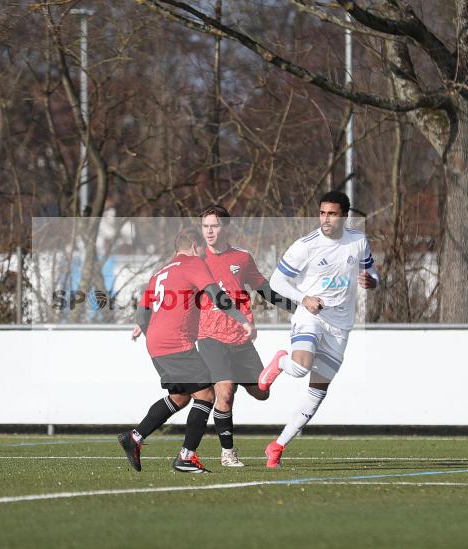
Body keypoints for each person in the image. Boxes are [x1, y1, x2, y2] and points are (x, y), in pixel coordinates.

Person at [257, 191, 379, 468]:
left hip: (340, 326)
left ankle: (277, 446)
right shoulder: (306, 245)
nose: (325, 219)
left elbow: (372, 272)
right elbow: (276, 281)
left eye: (332, 214)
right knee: (300, 367)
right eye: (322, 213)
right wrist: (304, 298)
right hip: (310, 316)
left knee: (318, 392)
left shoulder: (358, 241)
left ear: (344, 216)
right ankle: (281, 361)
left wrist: (372, 281)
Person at [119, 228, 255, 474]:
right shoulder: (193, 263)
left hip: (157, 343)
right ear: (194, 245)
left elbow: (142, 313)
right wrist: (241, 319)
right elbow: (216, 295)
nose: (204, 253)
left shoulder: (160, 272)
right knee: (206, 395)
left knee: (180, 397)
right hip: (175, 342)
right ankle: (186, 457)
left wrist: (148, 331)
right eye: (201, 248)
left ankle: (135, 437)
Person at [197, 204, 295, 467]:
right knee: (225, 392)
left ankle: (276, 365)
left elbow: (263, 288)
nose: (209, 231)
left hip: (240, 338)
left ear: (226, 228)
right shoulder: (197, 260)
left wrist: (294, 309)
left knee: (262, 393)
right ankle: (227, 453)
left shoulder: (242, 258)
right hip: (209, 336)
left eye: (214, 226)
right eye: (205, 226)